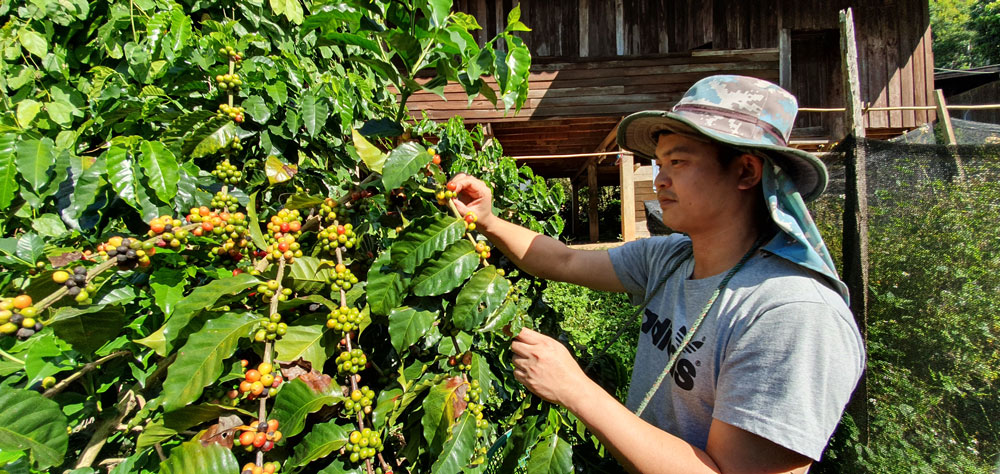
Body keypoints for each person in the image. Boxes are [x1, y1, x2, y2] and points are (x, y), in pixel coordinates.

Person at [448, 75, 865, 473]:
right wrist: (487, 220)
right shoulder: (670, 260)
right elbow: (564, 261)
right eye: (658, 163)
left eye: (678, 162)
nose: (660, 180)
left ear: (746, 172)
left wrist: (573, 387)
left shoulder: (792, 315)